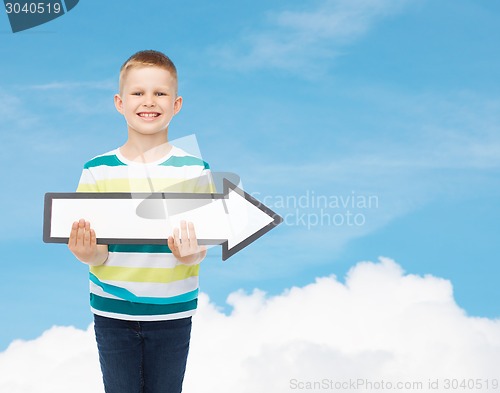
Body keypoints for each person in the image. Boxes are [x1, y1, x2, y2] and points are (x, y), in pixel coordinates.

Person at [67, 50, 213, 393]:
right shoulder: (96, 170)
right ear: (120, 102)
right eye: (138, 93)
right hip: (112, 312)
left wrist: (192, 254)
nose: (149, 101)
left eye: (160, 93)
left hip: (173, 312)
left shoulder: (195, 170)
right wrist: (88, 254)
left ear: (176, 105)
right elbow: (97, 251)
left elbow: (203, 244)